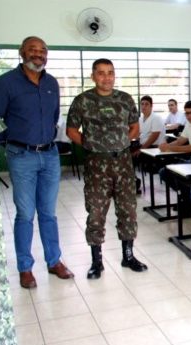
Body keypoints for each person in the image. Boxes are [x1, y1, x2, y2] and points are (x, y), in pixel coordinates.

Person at [0, 36, 74, 289]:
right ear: (22, 53)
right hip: (21, 155)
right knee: (25, 214)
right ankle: (25, 267)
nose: (38, 54)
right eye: (32, 50)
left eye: (43, 50)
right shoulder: (4, 83)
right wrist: (11, 146)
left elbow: (54, 117)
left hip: (49, 154)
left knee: (49, 213)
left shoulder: (52, 83)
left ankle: (54, 261)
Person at [66, 58, 148, 279]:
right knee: (96, 212)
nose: (106, 77)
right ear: (93, 76)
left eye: (110, 72)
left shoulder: (125, 99)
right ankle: (96, 261)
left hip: (122, 162)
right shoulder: (82, 101)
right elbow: (71, 130)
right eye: (101, 73)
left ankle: (128, 255)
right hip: (96, 164)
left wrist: (121, 141)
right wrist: (91, 144)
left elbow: (134, 127)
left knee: (128, 210)